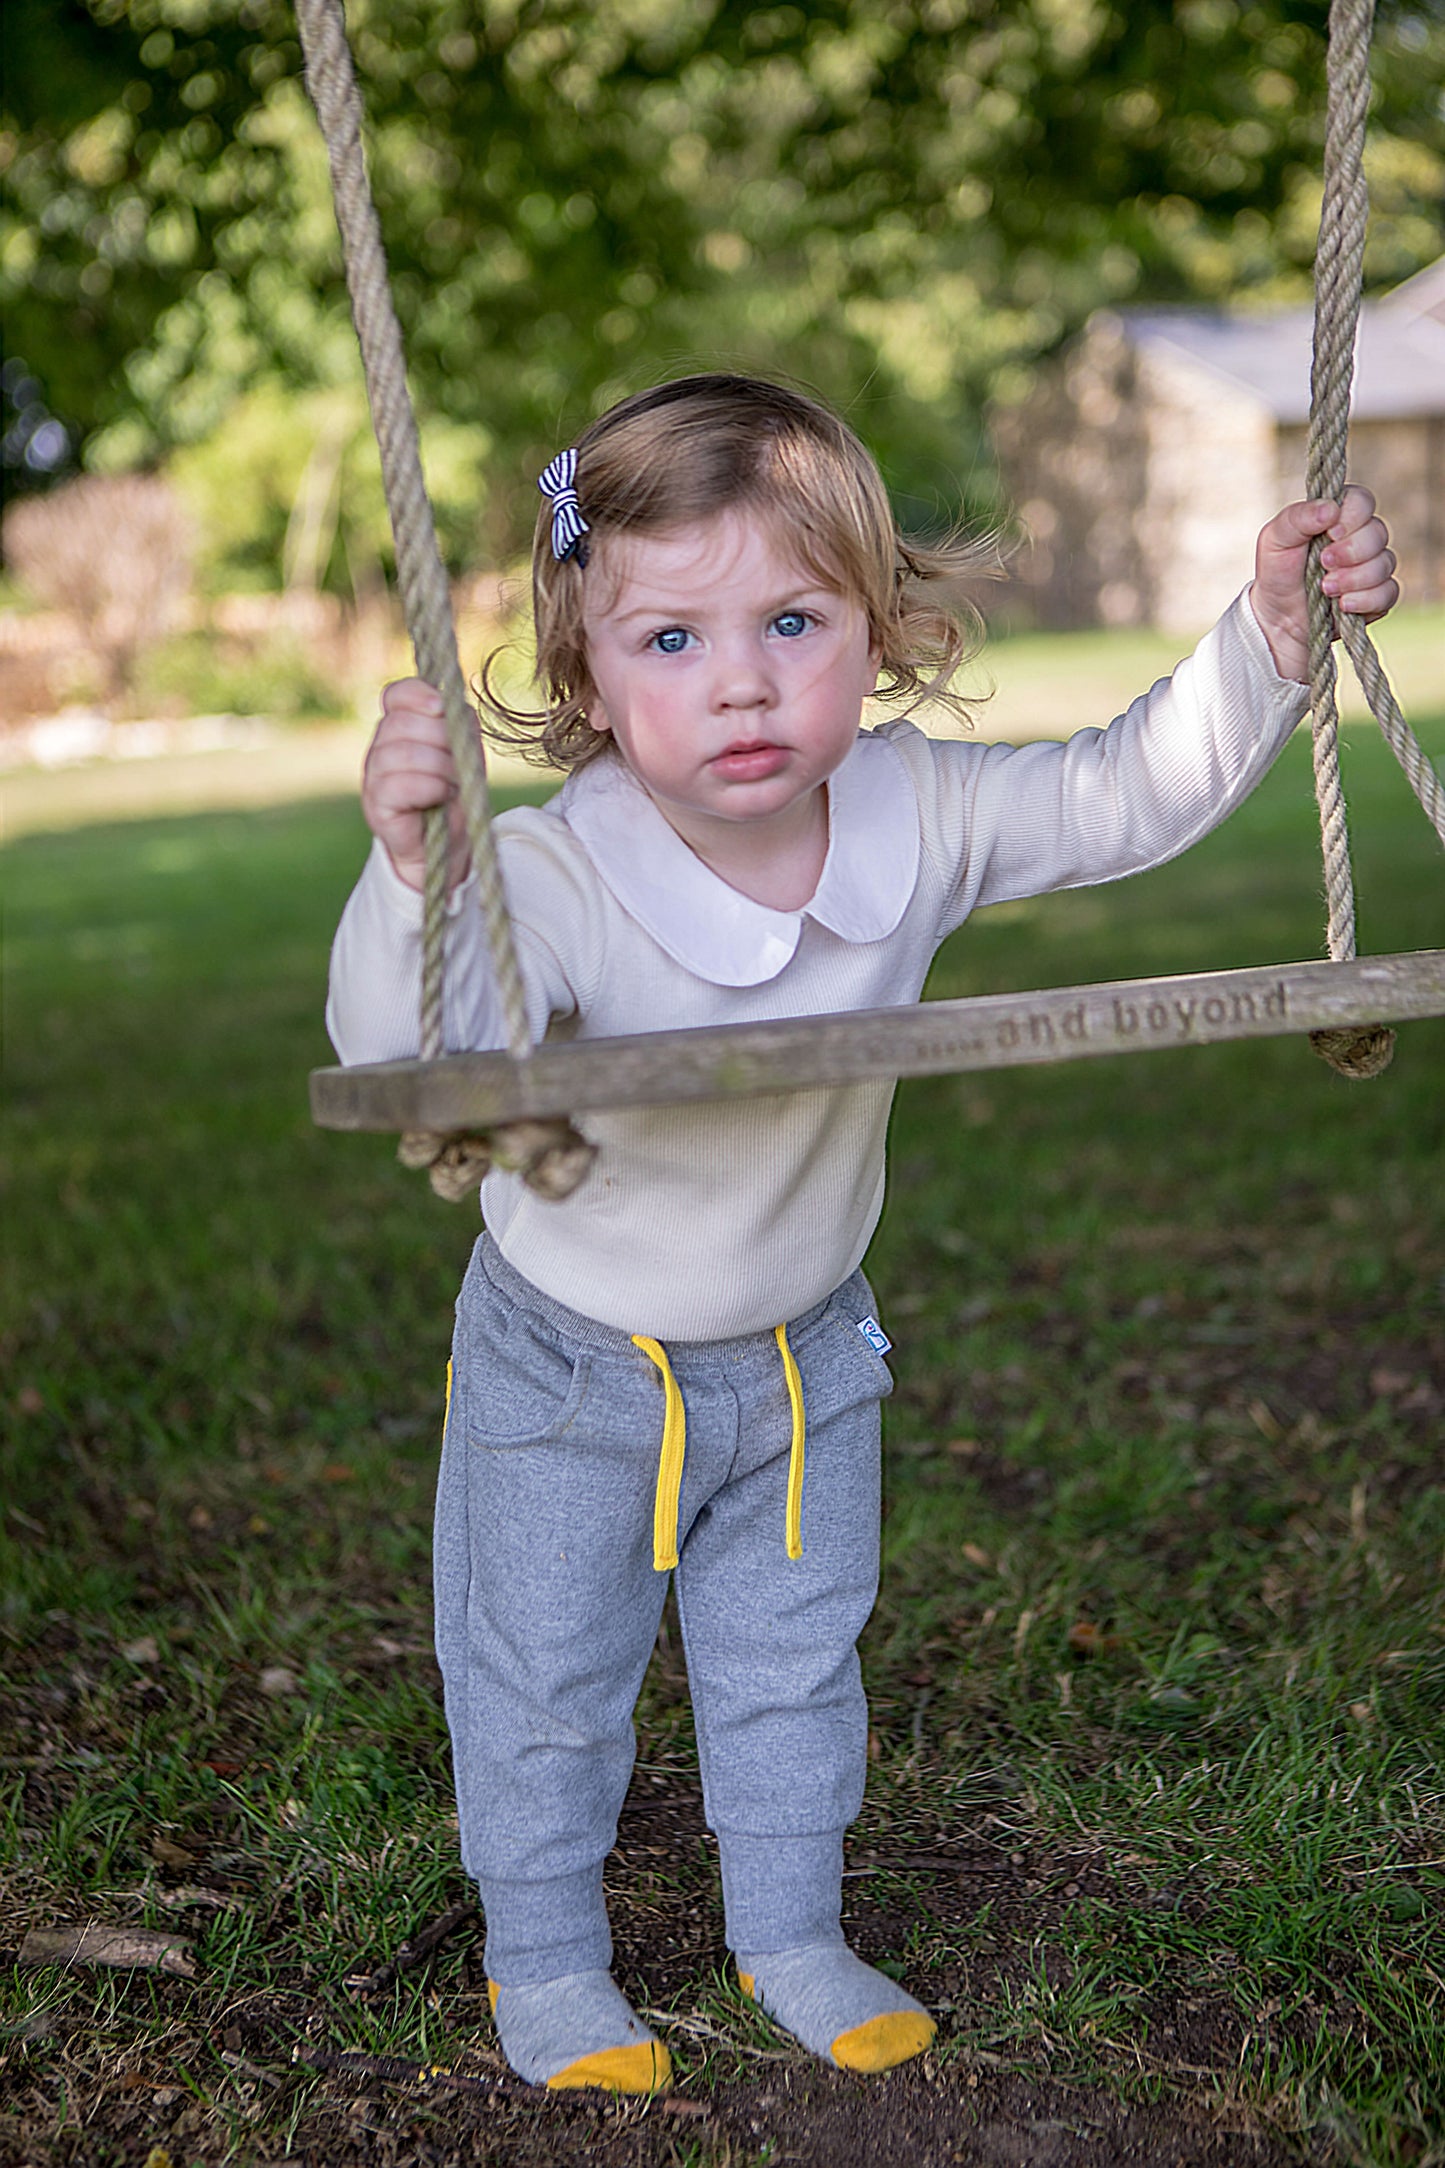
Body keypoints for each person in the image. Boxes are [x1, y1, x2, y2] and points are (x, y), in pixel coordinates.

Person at [326, 373, 1398, 2094]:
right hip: (570, 1366)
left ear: (878, 630)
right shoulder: (559, 873)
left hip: (806, 1354)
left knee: (791, 1662)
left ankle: (793, 1933)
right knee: (537, 1674)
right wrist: (409, 869)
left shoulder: (915, 814)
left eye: (793, 620)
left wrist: (1267, 637)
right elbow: (402, 1052)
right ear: (586, 672)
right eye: (668, 639)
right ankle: (542, 1962)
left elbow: (1120, 792)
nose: (738, 677)